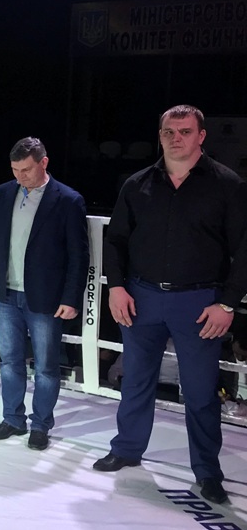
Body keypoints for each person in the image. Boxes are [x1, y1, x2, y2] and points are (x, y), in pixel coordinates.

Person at [93, 105, 247, 506]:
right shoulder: (137, 184)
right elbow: (116, 240)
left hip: (199, 301)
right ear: (159, 135)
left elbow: (244, 249)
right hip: (140, 297)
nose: (175, 138)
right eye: (168, 131)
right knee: (135, 380)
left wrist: (228, 304)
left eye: (184, 131)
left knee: (199, 391)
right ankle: (127, 449)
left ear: (201, 136)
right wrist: (116, 287)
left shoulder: (227, 185)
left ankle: (207, 471)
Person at [0, 137, 88, 451]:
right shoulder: (2, 193)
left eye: (27, 170)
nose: (21, 176)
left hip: (46, 297)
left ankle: (41, 425)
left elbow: (78, 256)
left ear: (43, 162)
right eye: (15, 170)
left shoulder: (68, 200)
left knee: (46, 366)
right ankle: (13, 419)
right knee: (9, 361)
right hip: (5, 293)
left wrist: (71, 299)